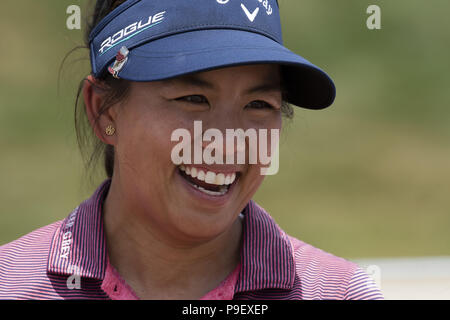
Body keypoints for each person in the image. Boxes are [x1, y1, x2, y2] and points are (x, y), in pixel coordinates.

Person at [0, 0, 383, 300]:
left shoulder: (339, 293)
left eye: (259, 105)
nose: (229, 141)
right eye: (194, 98)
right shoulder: (12, 286)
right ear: (103, 110)